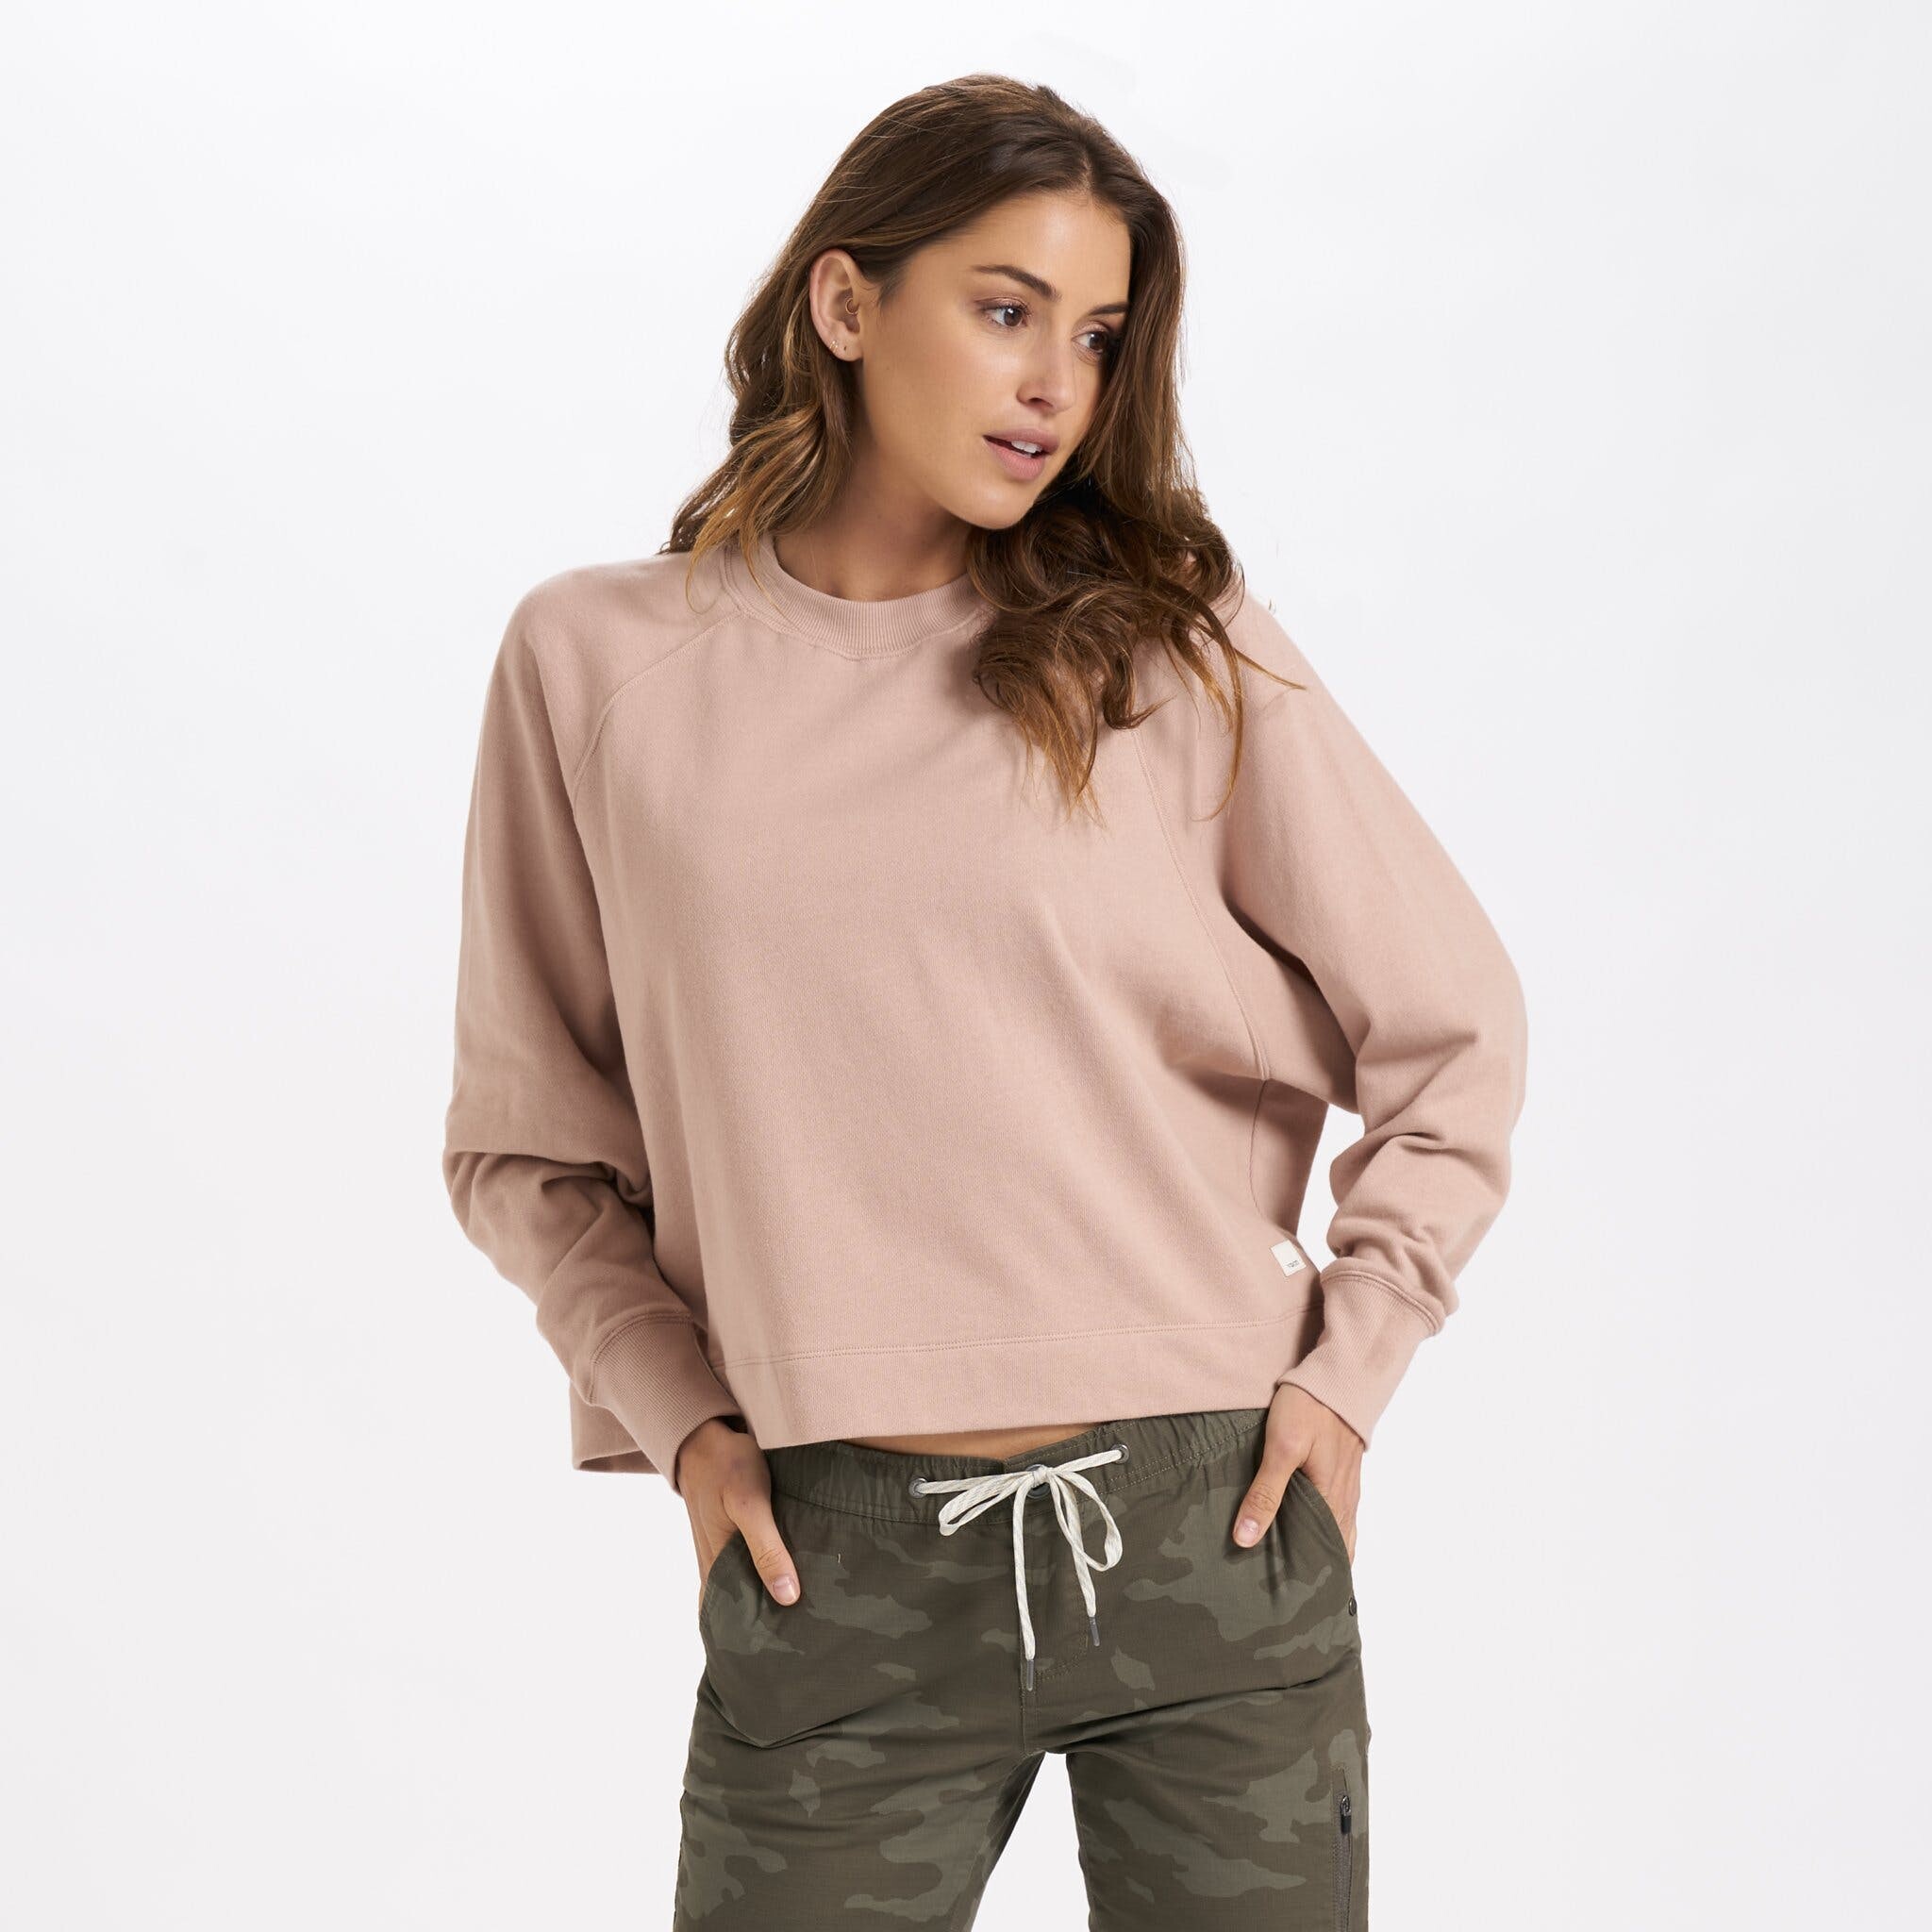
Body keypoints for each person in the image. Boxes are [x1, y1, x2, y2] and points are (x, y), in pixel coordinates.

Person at [441, 73, 1527, 1931]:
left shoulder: (1167, 646)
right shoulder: (598, 663)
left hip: (1209, 1528)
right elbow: (526, 1144)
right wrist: (684, 1420)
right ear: (846, 303)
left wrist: (1348, 1380)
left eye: (1095, 336)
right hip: (834, 1558)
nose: (1054, 386)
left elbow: (1453, 1026)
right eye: (1006, 309)